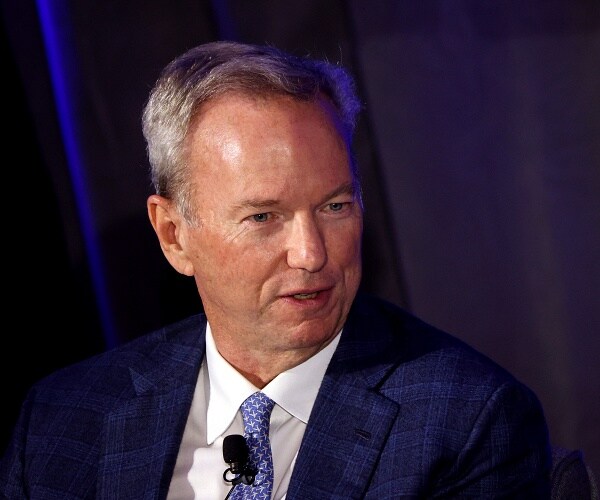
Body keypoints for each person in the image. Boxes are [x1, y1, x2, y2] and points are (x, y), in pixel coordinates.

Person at [0, 40, 551, 499]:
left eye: (335, 206)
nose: (311, 254)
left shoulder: (467, 420)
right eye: (263, 216)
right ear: (173, 235)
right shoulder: (63, 420)